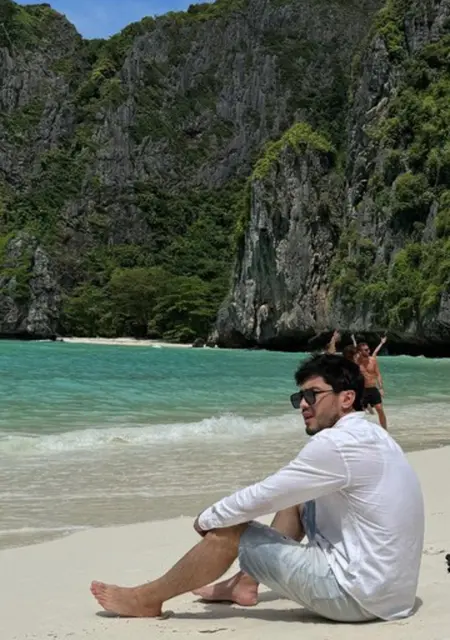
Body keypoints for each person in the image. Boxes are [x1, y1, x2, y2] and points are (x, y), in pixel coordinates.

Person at [90, 354, 424, 623]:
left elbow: (267, 494)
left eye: (312, 395)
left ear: (347, 398)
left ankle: (146, 599)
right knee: (298, 499)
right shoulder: (374, 434)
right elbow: (287, 493)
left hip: (354, 598)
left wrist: (208, 519)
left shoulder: (336, 444)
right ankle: (244, 584)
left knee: (231, 528)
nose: (303, 404)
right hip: (393, 594)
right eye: (299, 397)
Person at [357, 340, 388, 429]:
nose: (368, 351)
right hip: (362, 391)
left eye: (368, 349)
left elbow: (378, 374)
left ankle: (385, 431)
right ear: (360, 352)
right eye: (366, 350)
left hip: (373, 388)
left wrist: (381, 388)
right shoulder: (357, 362)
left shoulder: (373, 360)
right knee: (359, 414)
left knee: (380, 410)